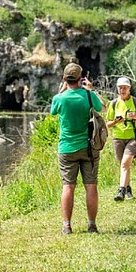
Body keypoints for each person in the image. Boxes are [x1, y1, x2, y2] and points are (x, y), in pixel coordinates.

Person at [49, 63, 104, 235]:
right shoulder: (88, 96)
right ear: (81, 79)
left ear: (65, 79)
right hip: (89, 147)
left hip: (67, 148)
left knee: (68, 187)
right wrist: (91, 89)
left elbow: (52, 112)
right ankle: (92, 224)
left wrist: (63, 90)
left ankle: (67, 225)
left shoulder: (59, 98)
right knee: (91, 186)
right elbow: (101, 107)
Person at [107, 76, 136, 201]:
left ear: (129, 88)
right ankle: (128, 188)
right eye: (120, 87)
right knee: (124, 165)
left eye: (125, 87)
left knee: (125, 163)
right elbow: (107, 124)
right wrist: (116, 121)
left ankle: (121, 191)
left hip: (133, 137)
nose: (122, 90)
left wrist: (135, 117)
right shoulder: (113, 104)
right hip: (118, 137)